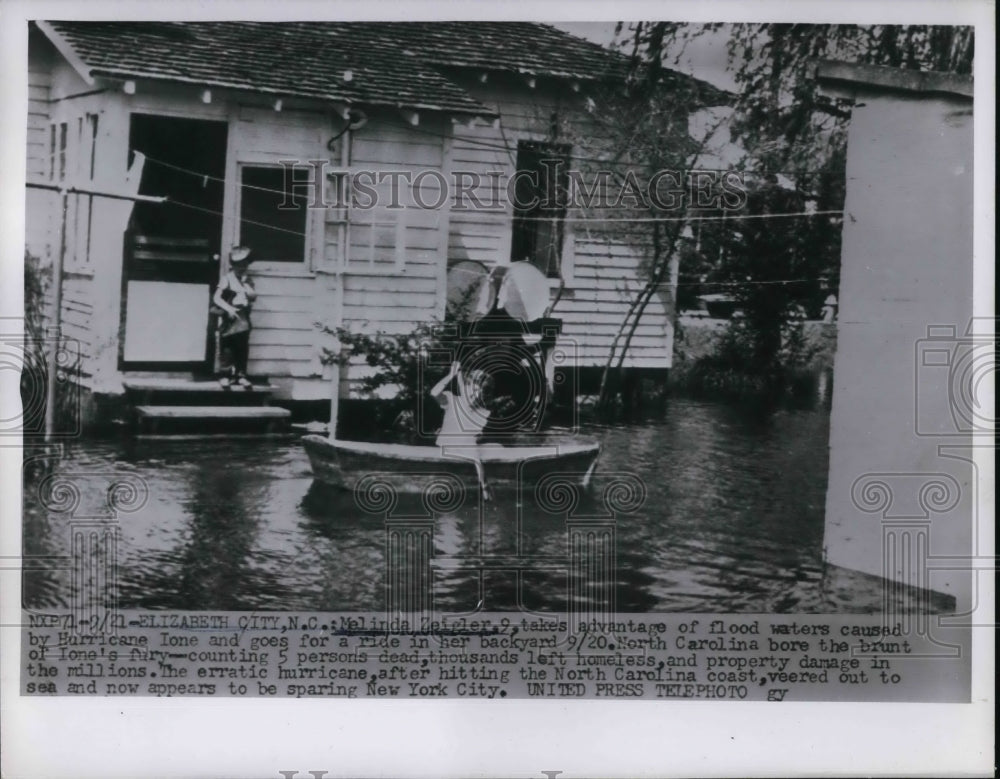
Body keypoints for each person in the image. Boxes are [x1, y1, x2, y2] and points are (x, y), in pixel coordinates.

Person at [213, 245, 257, 389]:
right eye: (238, 265)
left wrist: (245, 284)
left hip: (243, 319)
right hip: (230, 319)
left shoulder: (247, 281)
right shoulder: (227, 279)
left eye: (244, 265)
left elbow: (253, 297)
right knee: (227, 349)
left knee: (242, 348)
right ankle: (225, 375)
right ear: (233, 265)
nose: (242, 268)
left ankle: (241, 375)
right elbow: (217, 298)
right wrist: (228, 308)